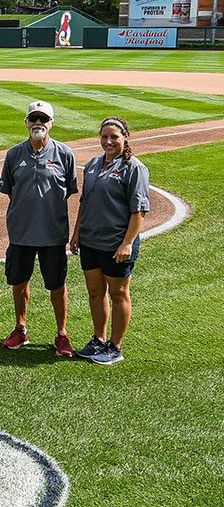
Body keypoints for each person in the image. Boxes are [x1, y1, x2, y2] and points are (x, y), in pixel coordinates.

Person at [0, 100, 78, 357]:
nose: (38, 124)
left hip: (53, 233)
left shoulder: (65, 154)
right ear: (26, 122)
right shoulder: (13, 155)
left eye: (43, 119)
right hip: (21, 233)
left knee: (57, 284)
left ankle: (62, 333)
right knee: (19, 282)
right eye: (34, 118)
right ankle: (20, 328)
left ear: (51, 123)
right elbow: (10, 190)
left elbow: (69, 191)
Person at [70, 117, 150, 365]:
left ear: (125, 137)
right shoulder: (94, 163)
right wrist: (77, 233)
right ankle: (98, 339)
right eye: (104, 136)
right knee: (95, 292)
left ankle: (115, 346)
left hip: (116, 243)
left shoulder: (134, 168)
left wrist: (127, 243)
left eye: (114, 136)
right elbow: (84, 202)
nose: (108, 141)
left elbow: (139, 212)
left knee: (118, 293)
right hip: (91, 241)